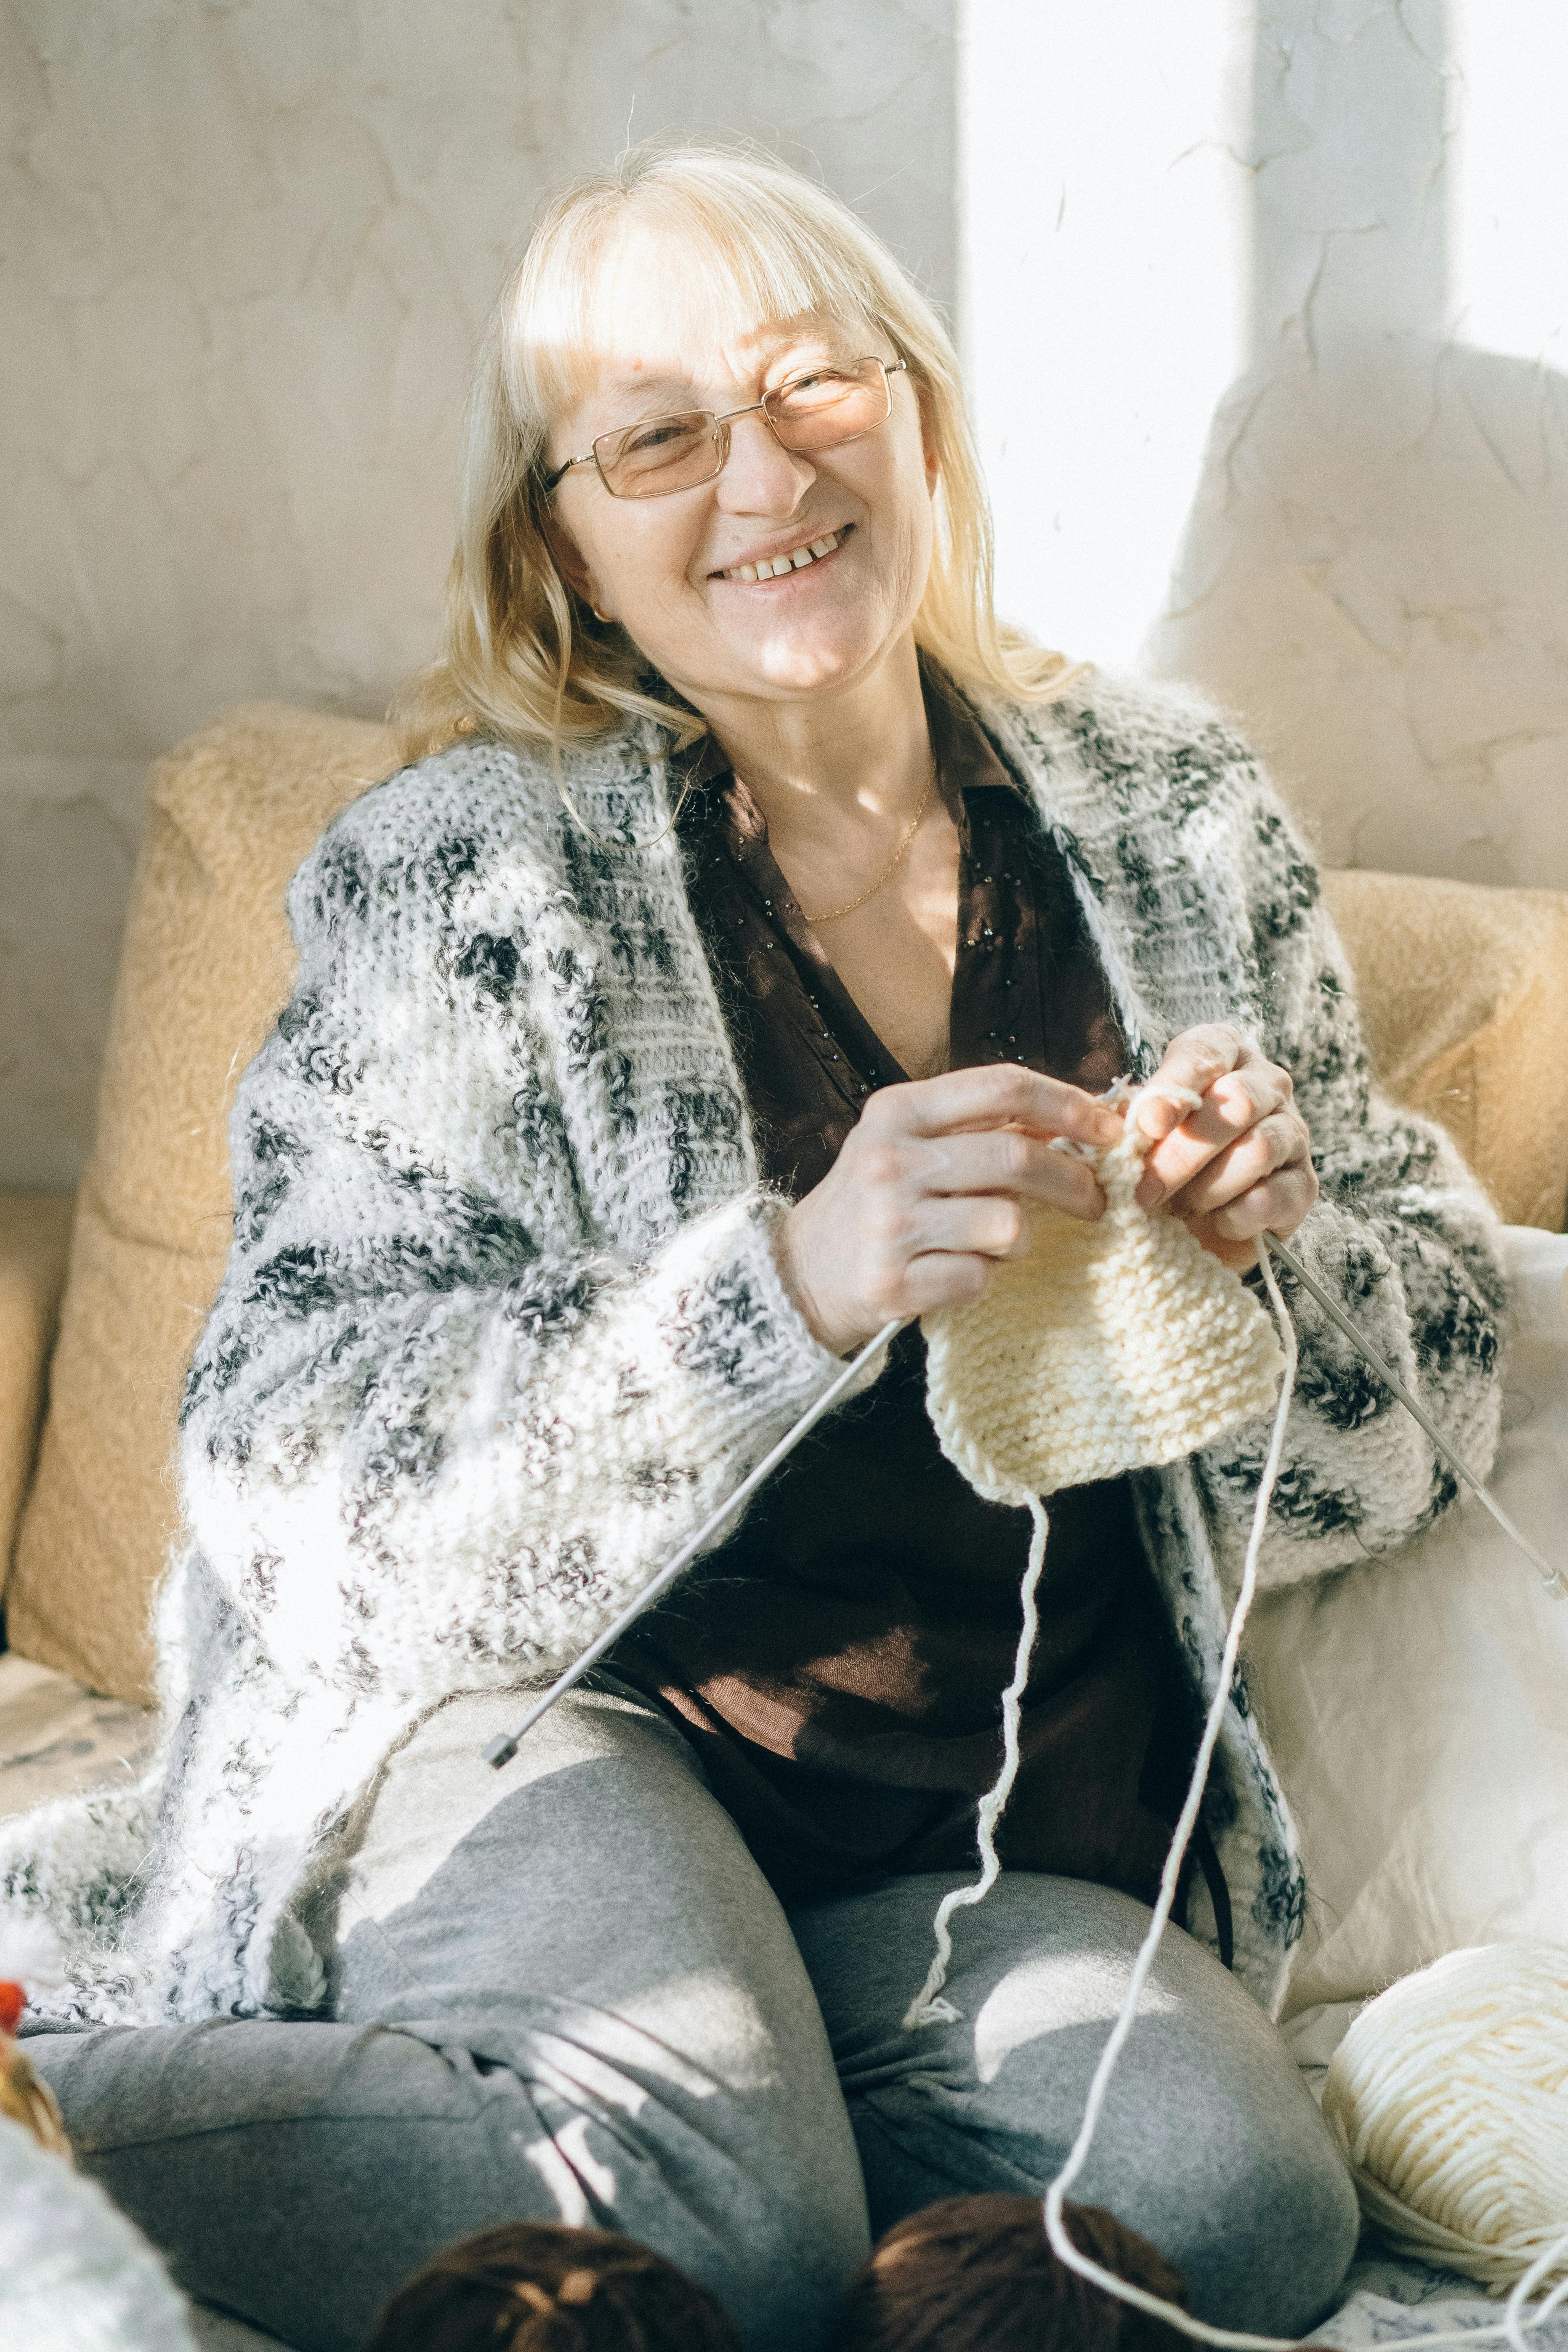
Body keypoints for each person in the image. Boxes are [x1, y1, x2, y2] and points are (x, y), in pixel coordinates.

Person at [15, 143, 1504, 2352]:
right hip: (562, 1732)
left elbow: (1430, 1379)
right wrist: (784, 1287)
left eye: (817, 383)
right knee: (728, 2224)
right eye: (657, 437)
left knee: (1235, 2214)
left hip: (959, 1851)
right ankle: (59, 2094)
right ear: (568, 544)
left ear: (916, 416)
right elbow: (281, 1467)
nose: (763, 472)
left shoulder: (1179, 816)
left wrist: (1276, 1260)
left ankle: (735, 2094)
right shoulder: (463, 881)